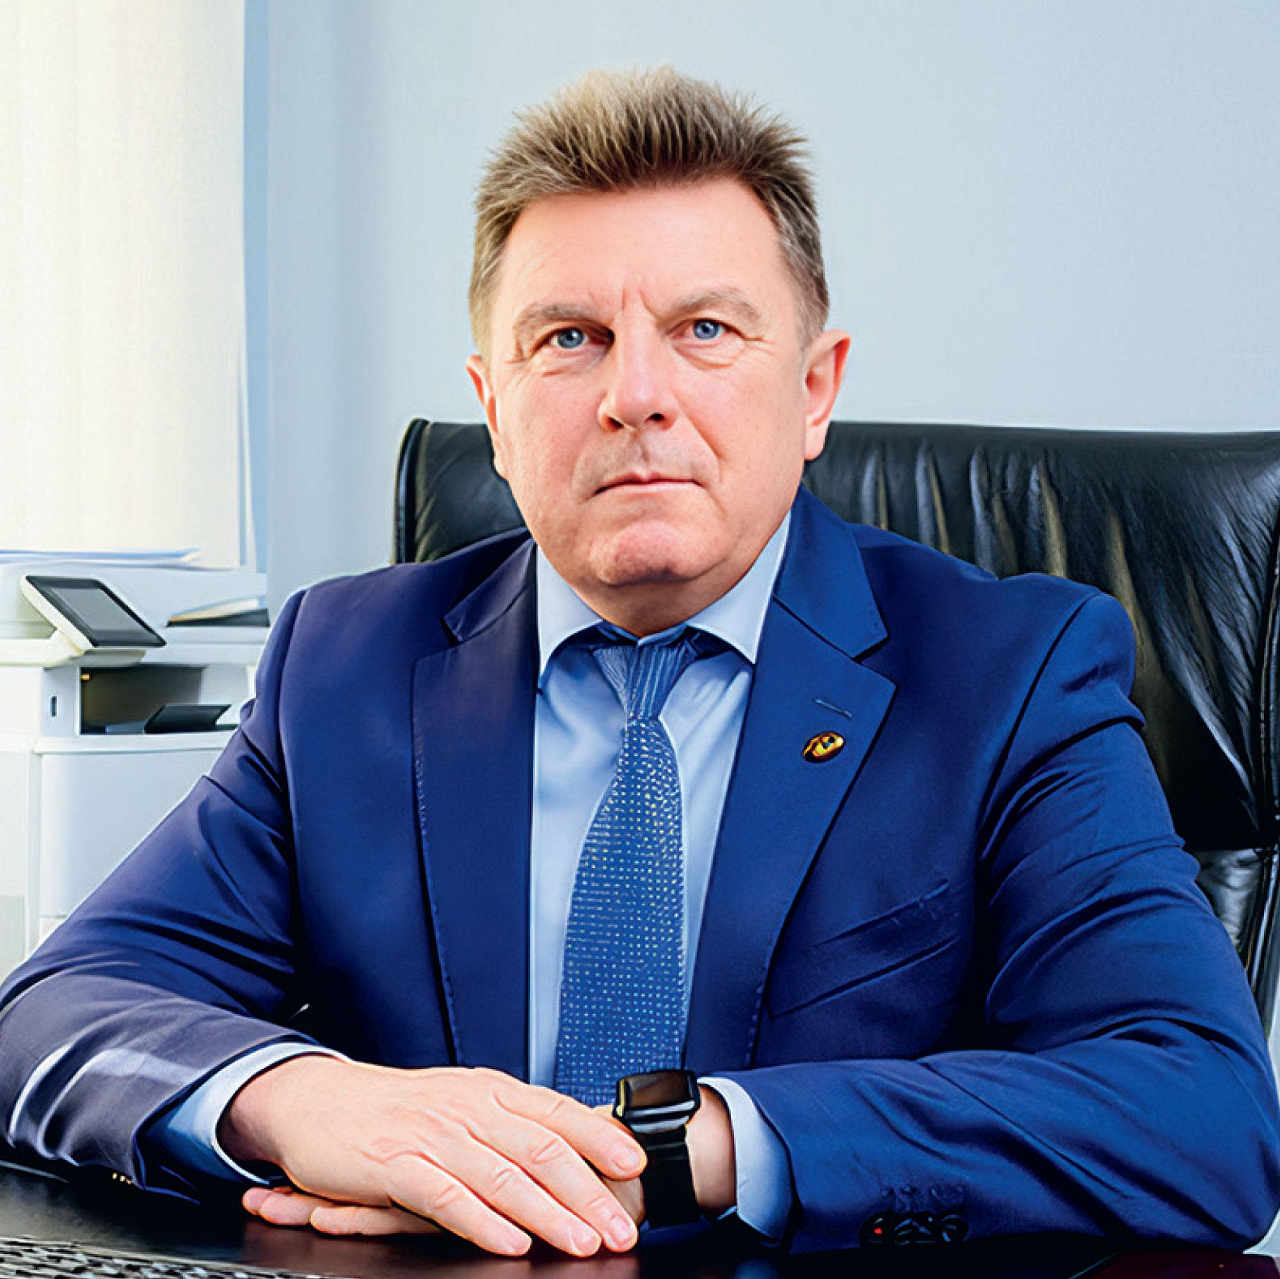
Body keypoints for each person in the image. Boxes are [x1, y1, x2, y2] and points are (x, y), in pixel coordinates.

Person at [1, 67, 1278, 1260]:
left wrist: (679, 1152)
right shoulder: (344, 667)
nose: (634, 395)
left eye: (704, 328)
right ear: (493, 406)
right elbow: (50, 1011)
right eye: (567, 338)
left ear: (814, 389)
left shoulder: (1009, 673)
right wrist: (301, 1098)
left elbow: (1198, 1111)